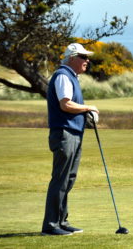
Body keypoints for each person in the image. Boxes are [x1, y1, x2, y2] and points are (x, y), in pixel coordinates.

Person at [41, 43, 99, 236]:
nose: (87, 61)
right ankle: (50, 225)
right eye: (83, 57)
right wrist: (88, 108)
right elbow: (65, 105)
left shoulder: (72, 77)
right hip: (64, 134)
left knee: (69, 179)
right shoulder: (63, 76)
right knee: (60, 179)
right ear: (72, 58)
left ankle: (61, 221)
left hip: (74, 133)